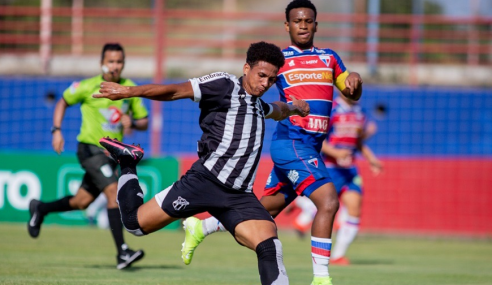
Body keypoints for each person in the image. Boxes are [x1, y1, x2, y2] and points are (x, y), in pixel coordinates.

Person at [94, 41, 310, 285]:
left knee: (270, 246)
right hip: (204, 182)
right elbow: (175, 90)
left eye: (271, 80)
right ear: (246, 67)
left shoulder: (258, 105)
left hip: (240, 195)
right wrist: (128, 91)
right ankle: (127, 162)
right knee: (133, 224)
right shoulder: (224, 85)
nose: (265, 84)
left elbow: (278, 110)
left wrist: (294, 108)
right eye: (261, 76)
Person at [181, 1, 363, 284]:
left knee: (266, 210)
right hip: (290, 143)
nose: (303, 25)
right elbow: (252, 84)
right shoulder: (281, 59)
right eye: (297, 21)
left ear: (316, 24)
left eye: (308, 20)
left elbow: (351, 93)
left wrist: (355, 79)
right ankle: (322, 278)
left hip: (310, 148)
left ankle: (202, 227)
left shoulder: (330, 58)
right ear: (287, 25)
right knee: (328, 201)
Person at [27, 43, 149, 270]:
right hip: (90, 150)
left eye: (119, 62)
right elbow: (63, 101)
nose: (115, 66)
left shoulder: (129, 88)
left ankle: (40, 209)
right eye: (111, 61)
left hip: (111, 155)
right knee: (114, 193)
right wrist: (56, 131)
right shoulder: (88, 86)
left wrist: (131, 122)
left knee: (81, 202)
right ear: (102, 62)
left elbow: (144, 121)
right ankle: (122, 253)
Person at [291, 93, 383, 265]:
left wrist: (371, 159)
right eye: (351, 88)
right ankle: (300, 202)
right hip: (330, 167)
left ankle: (338, 255)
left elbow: (358, 142)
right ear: (342, 90)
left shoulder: (360, 113)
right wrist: (336, 153)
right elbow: (318, 139)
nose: (356, 92)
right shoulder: (331, 110)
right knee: (325, 206)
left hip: (350, 170)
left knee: (355, 208)